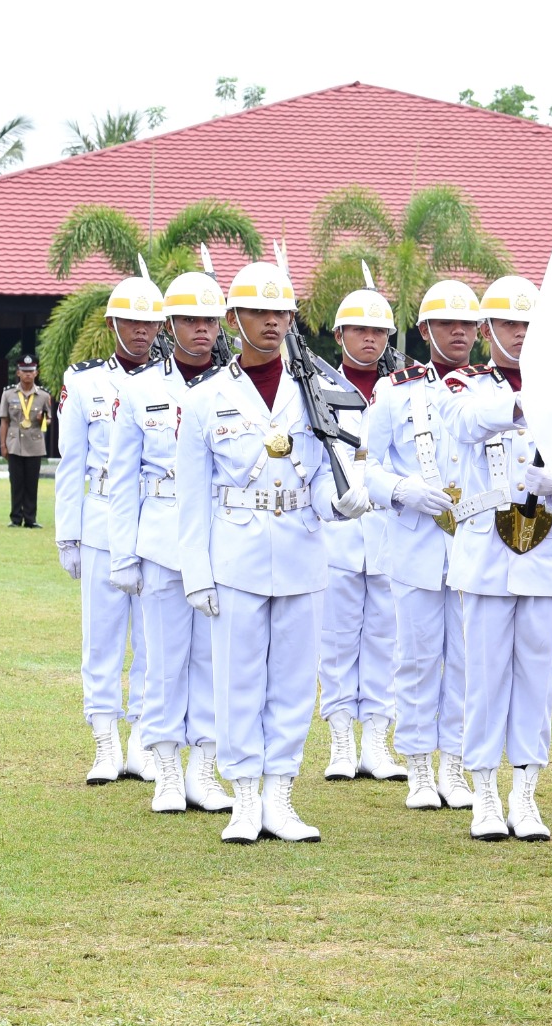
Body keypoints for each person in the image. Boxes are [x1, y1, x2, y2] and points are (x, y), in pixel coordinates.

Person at [176, 261, 371, 844]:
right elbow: (191, 496)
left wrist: (343, 504)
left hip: (301, 550)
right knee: (236, 680)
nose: (270, 321)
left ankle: (281, 798)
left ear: (291, 319)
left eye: (280, 312)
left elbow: (324, 474)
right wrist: (196, 573)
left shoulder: (315, 390)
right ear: (233, 319)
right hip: (233, 554)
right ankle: (243, 799)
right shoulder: (209, 398)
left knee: (292, 682)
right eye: (258, 312)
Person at [436, 275, 552, 843]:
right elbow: (463, 425)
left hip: (543, 548)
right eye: (510, 325)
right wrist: (527, 399)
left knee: (537, 678)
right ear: (487, 330)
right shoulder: (463, 384)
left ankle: (526, 793)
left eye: (530, 326)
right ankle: (484, 793)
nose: (520, 334)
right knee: (485, 678)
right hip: (487, 553)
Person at [105, 269, 234, 814]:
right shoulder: (139, 390)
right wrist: (122, 554)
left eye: (209, 320)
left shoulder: (236, 387)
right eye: (189, 320)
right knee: (163, 662)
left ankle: (203, 770)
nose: (200, 330)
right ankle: (164, 772)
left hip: (221, 542)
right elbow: (120, 476)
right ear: (169, 324)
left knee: (212, 662)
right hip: (160, 539)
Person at [362, 281, 478, 811]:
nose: (460, 333)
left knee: (465, 660)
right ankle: (417, 768)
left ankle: (454, 765)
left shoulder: (486, 391)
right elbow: (367, 466)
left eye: (468, 325)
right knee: (415, 658)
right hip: (415, 543)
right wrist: (401, 490)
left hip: (474, 544)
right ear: (426, 331)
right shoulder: (395, 392)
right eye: (448, 325)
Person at [56, 274, 158, 785]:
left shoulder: (174, 381)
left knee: (152, 639)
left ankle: (140, 740)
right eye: (131, 322)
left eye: (148, 323)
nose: (140, 332)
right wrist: (67, 535)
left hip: (153, 524)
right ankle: (104, 744)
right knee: (102, 640)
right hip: (99, 522)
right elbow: (70, 463)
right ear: (113, 324)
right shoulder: (84, 381)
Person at [317, 284, 405, 786]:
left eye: (378, 331)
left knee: (385, 641)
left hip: (390, 532)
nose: (369, 339)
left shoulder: (402, 388)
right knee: (336, 641)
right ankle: (341, 740)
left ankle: (376, 738)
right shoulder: (316, 387)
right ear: (340, 334)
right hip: (338, 531)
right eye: (360, 330)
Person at [0, 352, 52, 528]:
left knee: (31, 483)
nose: (28, 374)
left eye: (31, 370)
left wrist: (41, 418)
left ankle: (30, 519)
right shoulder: (8, 394)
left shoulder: (44, 396)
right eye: (24, 370)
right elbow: (4, 421)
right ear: (18, 372)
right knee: (16, 482)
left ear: (36, 373)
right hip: (14, 443)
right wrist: (3, 445)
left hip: (35, 444)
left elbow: (48, 421)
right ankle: (15, 518)